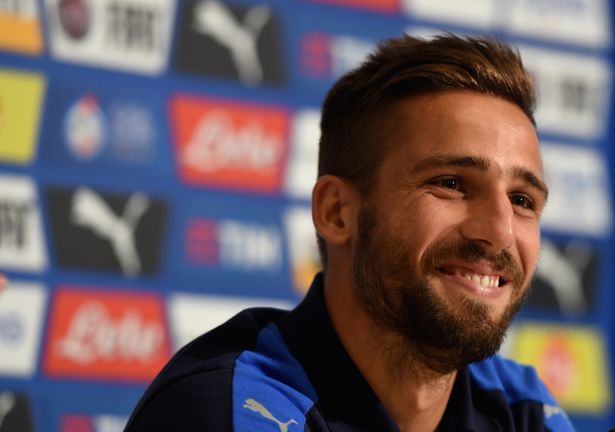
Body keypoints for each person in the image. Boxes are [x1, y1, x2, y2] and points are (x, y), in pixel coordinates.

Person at [126, 34, 575, 432]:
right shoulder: (230, 410)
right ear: (337, 212)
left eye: (522, 201)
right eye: (451, 184)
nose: (498, 233)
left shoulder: (522, 409)